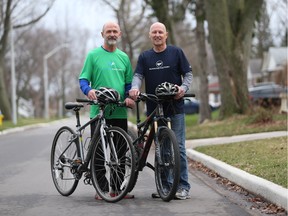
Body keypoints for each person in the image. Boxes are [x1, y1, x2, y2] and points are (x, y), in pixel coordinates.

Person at [129, 22, 193, 200]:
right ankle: (165, 186)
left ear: (166, 35)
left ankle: (182, 186)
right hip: (154, 108)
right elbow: (138, 76)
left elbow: (188, 74)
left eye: (160, 32)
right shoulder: (145, 57)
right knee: (162, 149)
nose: (157, 35)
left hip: (175, 107)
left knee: (178, 147)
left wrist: (183, 88)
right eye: (154, 32)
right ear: (150, 36)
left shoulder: (176, 52)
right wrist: (134, 88)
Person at [79, 21, 135, 200]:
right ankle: (101, 189)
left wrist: (128, 96)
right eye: (108, 31)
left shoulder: (124, 57)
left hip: (119, 112)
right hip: (99, 111)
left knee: (119, 153)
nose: (112, 34)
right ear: (102, 34)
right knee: (99, 153)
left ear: (119, 35)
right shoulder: (93, 55)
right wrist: (89, 91)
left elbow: (128, 84)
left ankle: (116, 190)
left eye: (115, 31)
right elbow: (83, 80)